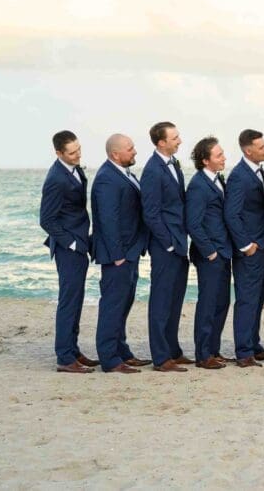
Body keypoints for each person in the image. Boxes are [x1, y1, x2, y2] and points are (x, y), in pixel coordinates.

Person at [91, 134, 150, 374]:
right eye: (130, 148)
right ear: (115, 154)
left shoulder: (124, 173)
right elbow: (108, 219)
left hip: (130, 250)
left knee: (124, 302)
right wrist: (118, 255)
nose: (134, 151)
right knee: (113, 305)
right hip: (118, 254)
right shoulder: (106, 178)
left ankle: (122, 351)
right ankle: (110, 359)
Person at [40, 130, 97, 373]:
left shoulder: (75, 169)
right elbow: (46, 220)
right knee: (69, 301)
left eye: (79, 150)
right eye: (72, 153)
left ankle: (73, 350)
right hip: (68, 249)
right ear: (58, 153)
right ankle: (64, 358)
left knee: (76, 299)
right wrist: (72, 244)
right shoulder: (56, 179)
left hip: (80, 243)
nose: (77, 155)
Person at [140, 121, 191, 372]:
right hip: (165, 246)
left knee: (175, 299)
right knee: (161, 301)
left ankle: (173, 350)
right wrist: (169, 244)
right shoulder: (152, 170)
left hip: (179, 243)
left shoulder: (173, 164)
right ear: (161, 142)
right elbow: (151, 213)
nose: (179, 141)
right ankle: (161, 358)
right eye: (174, 138)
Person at [225, 129, 264, 367]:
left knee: (258, 297)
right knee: (246, 299)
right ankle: (244, 352)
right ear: (248, 150)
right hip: (250, 249)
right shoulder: (239, 176)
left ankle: (253, 344)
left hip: (263, 245)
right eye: (261, 147)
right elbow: (231, 214)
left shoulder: (258, 171)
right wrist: (246, 245)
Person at [185, 136, 232, 369]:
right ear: (205, 160)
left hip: (224, 251)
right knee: (208, 304)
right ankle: (203, 355)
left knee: (222, 302)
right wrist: (210, 252)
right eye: (219, 155)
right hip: (210, 254)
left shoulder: (217, 179)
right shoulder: (198, 185)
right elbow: (193, 223)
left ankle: (213, 349)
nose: (224, 158)